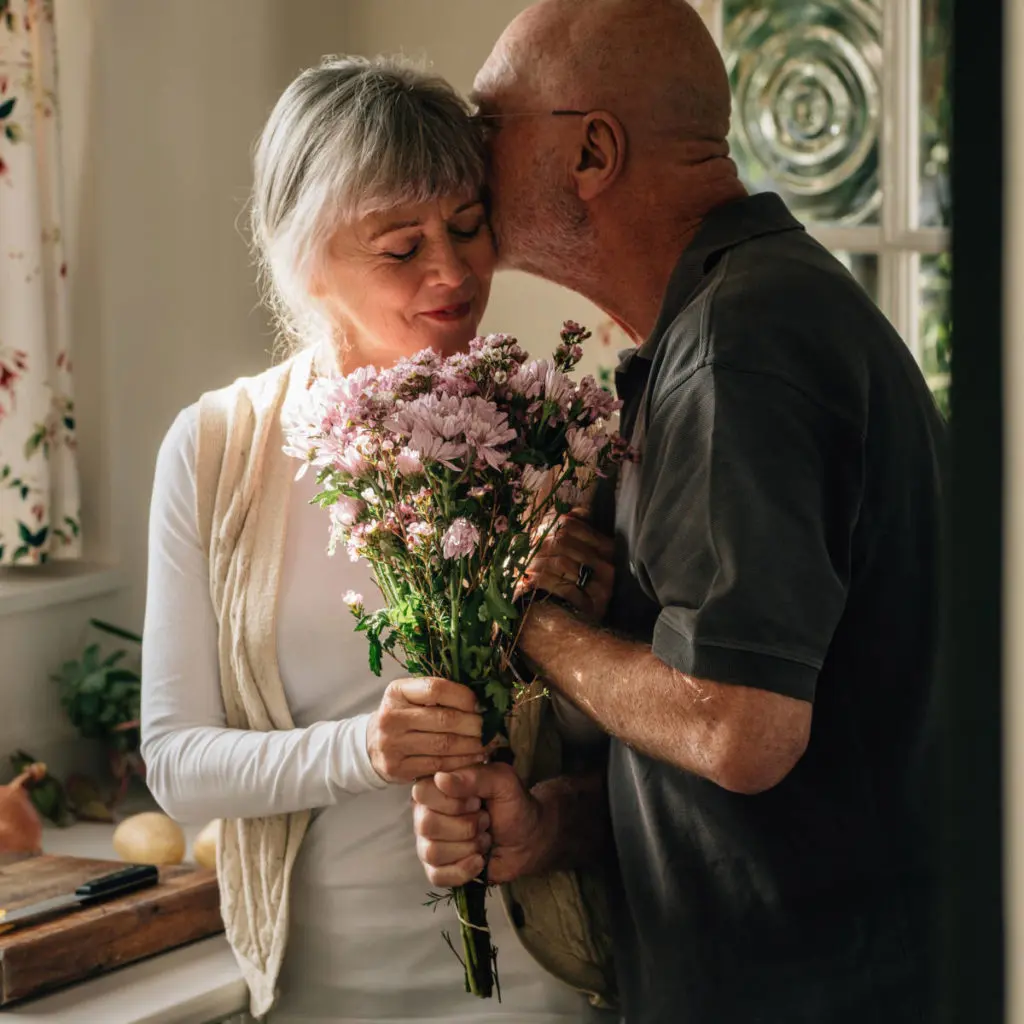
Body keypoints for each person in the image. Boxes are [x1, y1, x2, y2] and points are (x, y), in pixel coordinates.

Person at [412, 2, 946, 1022]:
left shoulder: (737, 350)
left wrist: (528, 623)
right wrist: (552, 826)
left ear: (592, 150)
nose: (468, 159)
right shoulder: (738, 322)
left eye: (490, 126)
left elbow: (740, 731)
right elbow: (754, 751)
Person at [140, 55, 597, 1024]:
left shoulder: (549, 443)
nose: (454, 270)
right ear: (304, 259)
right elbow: (177, 766)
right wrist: (365, 747)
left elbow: (630, 751)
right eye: (401, 246)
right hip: (320, 993)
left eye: (469, 227)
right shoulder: (220, 451)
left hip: (542, 986)